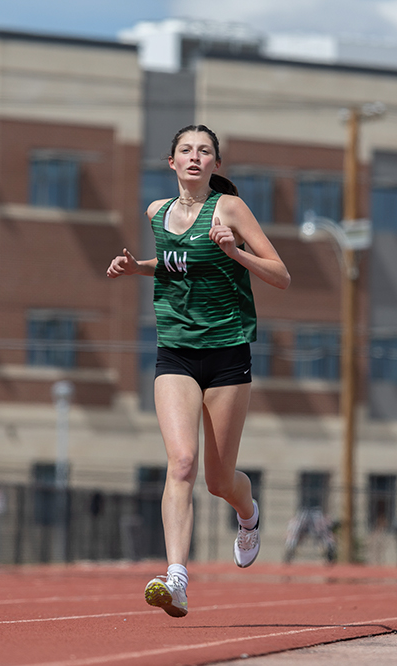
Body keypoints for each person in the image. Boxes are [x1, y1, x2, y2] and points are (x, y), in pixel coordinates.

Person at [106, 124, 290, 617]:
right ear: (171, 162)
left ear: (215, 164)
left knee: (219, 479)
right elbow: (177, 263)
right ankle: (177, 579)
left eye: (204, 151)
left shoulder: (230, 209)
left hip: (228, 353)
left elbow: (281, 275)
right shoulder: (156, 213)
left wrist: (235, 251)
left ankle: (248, 514)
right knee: (182, 462)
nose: (194, 157)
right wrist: (139, 267)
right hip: (176, 352)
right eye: (185, 150)